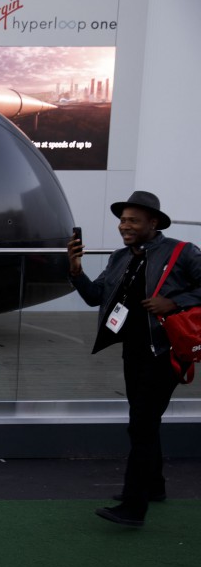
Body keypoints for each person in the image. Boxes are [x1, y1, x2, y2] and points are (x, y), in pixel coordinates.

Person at [68, 190, 201, 527]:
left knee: (141, 424)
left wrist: (175, 302)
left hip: (165, 353)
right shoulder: (119, 258)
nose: (124, 226)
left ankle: (133, 507)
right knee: (144, 421)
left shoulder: (182, 252)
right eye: (122, 220)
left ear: (153, 223)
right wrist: (76, 270)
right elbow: (94, 297)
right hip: (134, 351)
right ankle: (154, 486)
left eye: (133, 221)